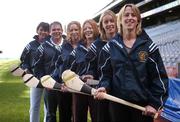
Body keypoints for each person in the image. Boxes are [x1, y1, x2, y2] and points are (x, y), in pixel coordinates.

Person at [95, 4, 168, 122]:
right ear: (120, 20)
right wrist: (104, 87)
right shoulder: (109, 47)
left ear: (138, 20)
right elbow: (105, 75)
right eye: (126, 15)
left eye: (133, 15)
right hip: (117, 105)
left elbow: (159, 78)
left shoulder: (149, 47)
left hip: (143, 107)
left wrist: (154, 104)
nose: (130, 17)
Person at [85, 10, 118, 122]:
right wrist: (90, 75)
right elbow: (90, 66)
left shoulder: (123, 41)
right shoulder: (97, 45)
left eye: (111, 21)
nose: (109, 24)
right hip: (102, 90)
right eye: (106, 22)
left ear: (116, 22)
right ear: (102, 25)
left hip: (120, 90)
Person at [33, 21, 66, 122]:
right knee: (50, 114)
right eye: (54, 29)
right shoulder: (43, 47)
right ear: (50, 32)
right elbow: (37, 67)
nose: (56, 31)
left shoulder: (67, 45)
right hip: (50, 87)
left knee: (66, 113)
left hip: (66, 87)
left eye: (58, 29)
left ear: (62, 30)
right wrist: (45, 81)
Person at [70, 19, 99, 122]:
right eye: (85, 28)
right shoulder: (78, 48)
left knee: (97, 117)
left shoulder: (101, 45)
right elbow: (71, 68)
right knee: (78, 117)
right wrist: (80, 77)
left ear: (95, 29)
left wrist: (93, 79)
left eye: (90, 28)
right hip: (79, 87)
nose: (87, 30)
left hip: (96, 87)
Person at [52, 21, 82, 122]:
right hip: (64, 86)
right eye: (71, 30)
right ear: (68, 32)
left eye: (76, 29)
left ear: (80, 30)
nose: (74, 32)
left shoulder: (84, 45)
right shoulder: (64, 47)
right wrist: (56, 80)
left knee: (78, 115)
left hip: (79, 86)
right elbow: (58, 65)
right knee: (64, 115)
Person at [20, 22, 50, 122]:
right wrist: (27, 71)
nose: (43, 32)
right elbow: (24, 60)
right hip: (34, 79)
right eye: (41, 29)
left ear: (49, 32)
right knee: (34, 107)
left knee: (48, 108)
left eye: (46, 30)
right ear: (37, 30)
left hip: (49, 80)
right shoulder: (31, 45)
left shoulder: (52, 45)